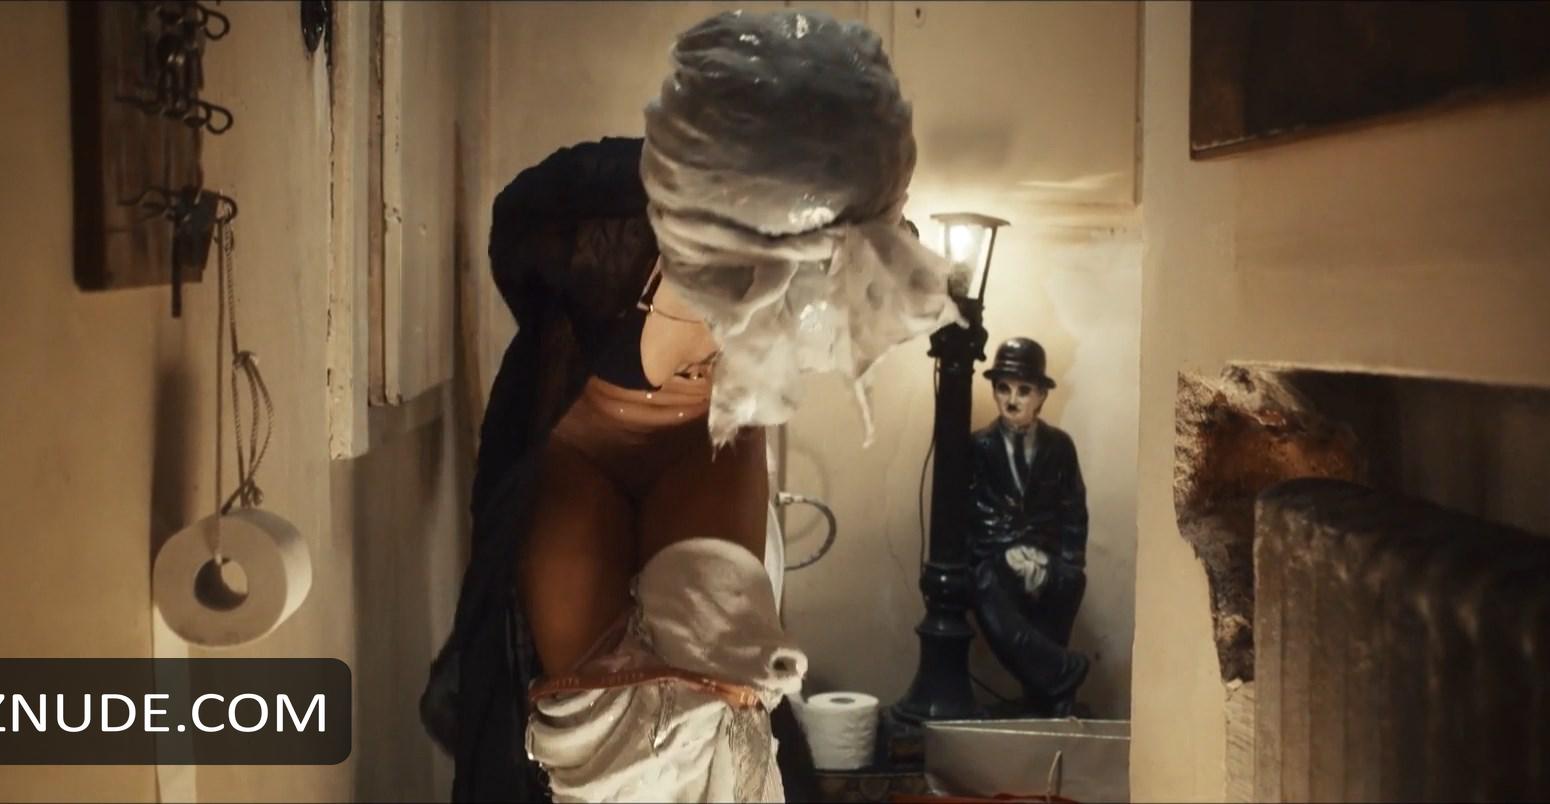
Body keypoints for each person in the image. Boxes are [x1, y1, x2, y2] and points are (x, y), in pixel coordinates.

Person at [422, 9, 958, 802]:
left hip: (704, 444)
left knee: (718, 693)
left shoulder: (851, 240)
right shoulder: (614, 212)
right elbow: (516, 229)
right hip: (582, 448)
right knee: (597, 728)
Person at [966, 337, 1091, 717]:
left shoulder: (1059, 446)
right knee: (986, 585)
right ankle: (1064, 672)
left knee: (1066, 581)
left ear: (1041, 396)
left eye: (1023, 391)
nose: (1012, 400)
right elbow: (974, 510)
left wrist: (1061, 561)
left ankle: (1045, 694)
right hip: (996, 554)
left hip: (1048, 553)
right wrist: (1008, 550)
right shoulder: (979, 447)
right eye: (1003, 389)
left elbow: (1073, 509)